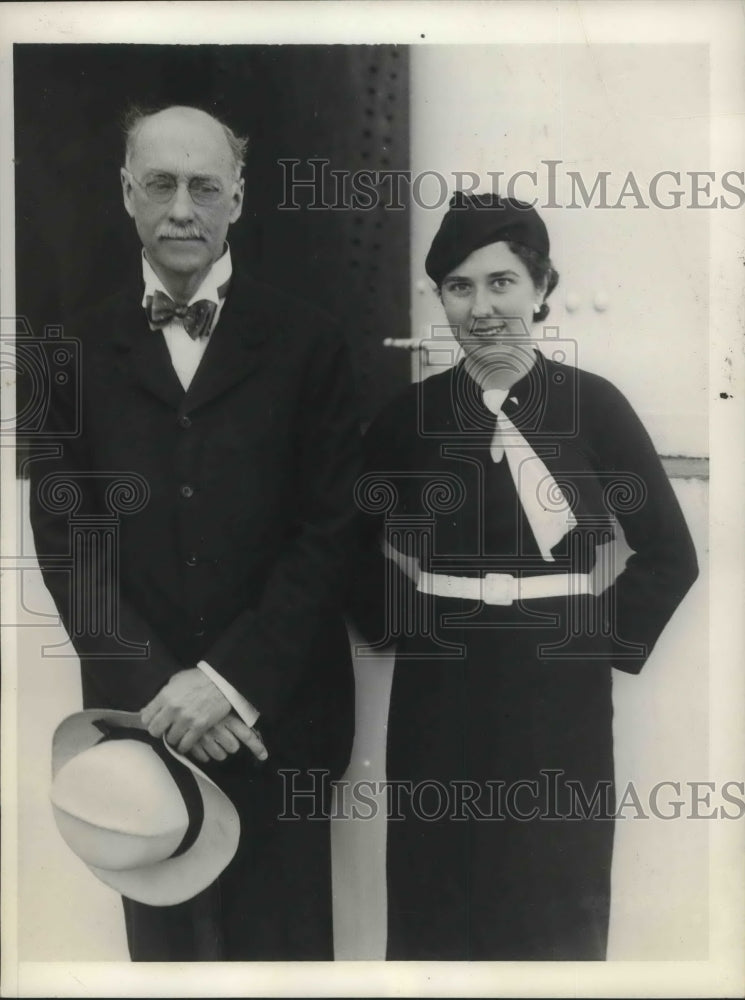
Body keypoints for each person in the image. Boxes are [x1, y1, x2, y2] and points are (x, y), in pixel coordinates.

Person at [29, 104, 360, 961]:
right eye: (162, 184)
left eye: (205, 186)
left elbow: (331, 532)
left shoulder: (312, 344)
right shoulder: (65, 351)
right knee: (165, 968)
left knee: (286, 968)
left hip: (277, 723)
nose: (183, 207)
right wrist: (162, 692)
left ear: (239, 199)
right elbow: (68, 542)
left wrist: (227, 682)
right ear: (126, 194)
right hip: (138, 736)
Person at [350, 192, 699, 961]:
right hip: (438, 700)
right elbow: (349, 542)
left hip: (557, 706)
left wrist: (589, 640)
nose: (482, 308)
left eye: (501, 282)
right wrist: (402, 622)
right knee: (434, 904)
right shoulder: (406, 419)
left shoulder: (594, 408)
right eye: (459, 286)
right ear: (439, 297)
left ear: (540, 290)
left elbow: (670, 555)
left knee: (551, 908)